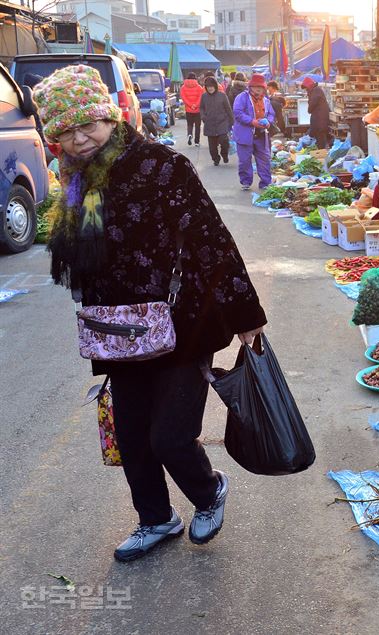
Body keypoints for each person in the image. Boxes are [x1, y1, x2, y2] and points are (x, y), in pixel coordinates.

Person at [32, 65, 266, 562]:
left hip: (182, 323)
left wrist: (246, 314)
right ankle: (156, 519)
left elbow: (211, 241)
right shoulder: (75, 180)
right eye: (66, 133)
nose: (80, 140)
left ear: (109, 117)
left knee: (170, 437)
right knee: (133, 438)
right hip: (116, 330)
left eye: (88, 125)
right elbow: (78, 258)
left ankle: (209, 492)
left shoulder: (162, 165)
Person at [233, 74, 274, 191]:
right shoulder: (242, 97)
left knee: (264, 159)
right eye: (256, 86)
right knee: (245, 160)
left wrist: (268, 122)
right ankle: (246, 181)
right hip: (245, 134)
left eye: (260, 87)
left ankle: (265, 182)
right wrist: (252, 122)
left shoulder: (266, 100)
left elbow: (271, 114)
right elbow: (238, 113)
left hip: (261, 134)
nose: (258, 89)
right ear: (250, 87)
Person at [200, 76, 233, 166]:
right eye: (208, 86)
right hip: (209, 123)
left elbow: (228, 109)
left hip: (222, 122)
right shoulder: (204, 96)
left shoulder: (222, 95)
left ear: (215, 86)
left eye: (211, 86)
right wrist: (203, 116)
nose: (210, 88)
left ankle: (224, 155)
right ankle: (216, 158)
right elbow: (202, 108)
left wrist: (232, 122)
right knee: (212, 147)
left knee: (224, 141)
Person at [301, 76, 331, 150]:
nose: (306, 90)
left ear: (308, 86)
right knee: (320, 135)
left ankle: (322, 152)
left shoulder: (316, 90)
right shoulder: (315, 90)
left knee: (320, 135)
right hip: (319, 118)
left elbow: (312, 105)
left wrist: (309, 108)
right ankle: (322, 151)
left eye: (306, 88)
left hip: (320, 118)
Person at [179, 72, 204, 146]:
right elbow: (201, 98)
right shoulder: (199, 87)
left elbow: (184, 98)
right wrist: (195, 105)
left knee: (189, 124)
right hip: (197, 110)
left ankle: (190, 134)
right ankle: (197, 142)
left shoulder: (183, 87)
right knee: (197, 126)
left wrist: (190, 105)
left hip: (188, 110)